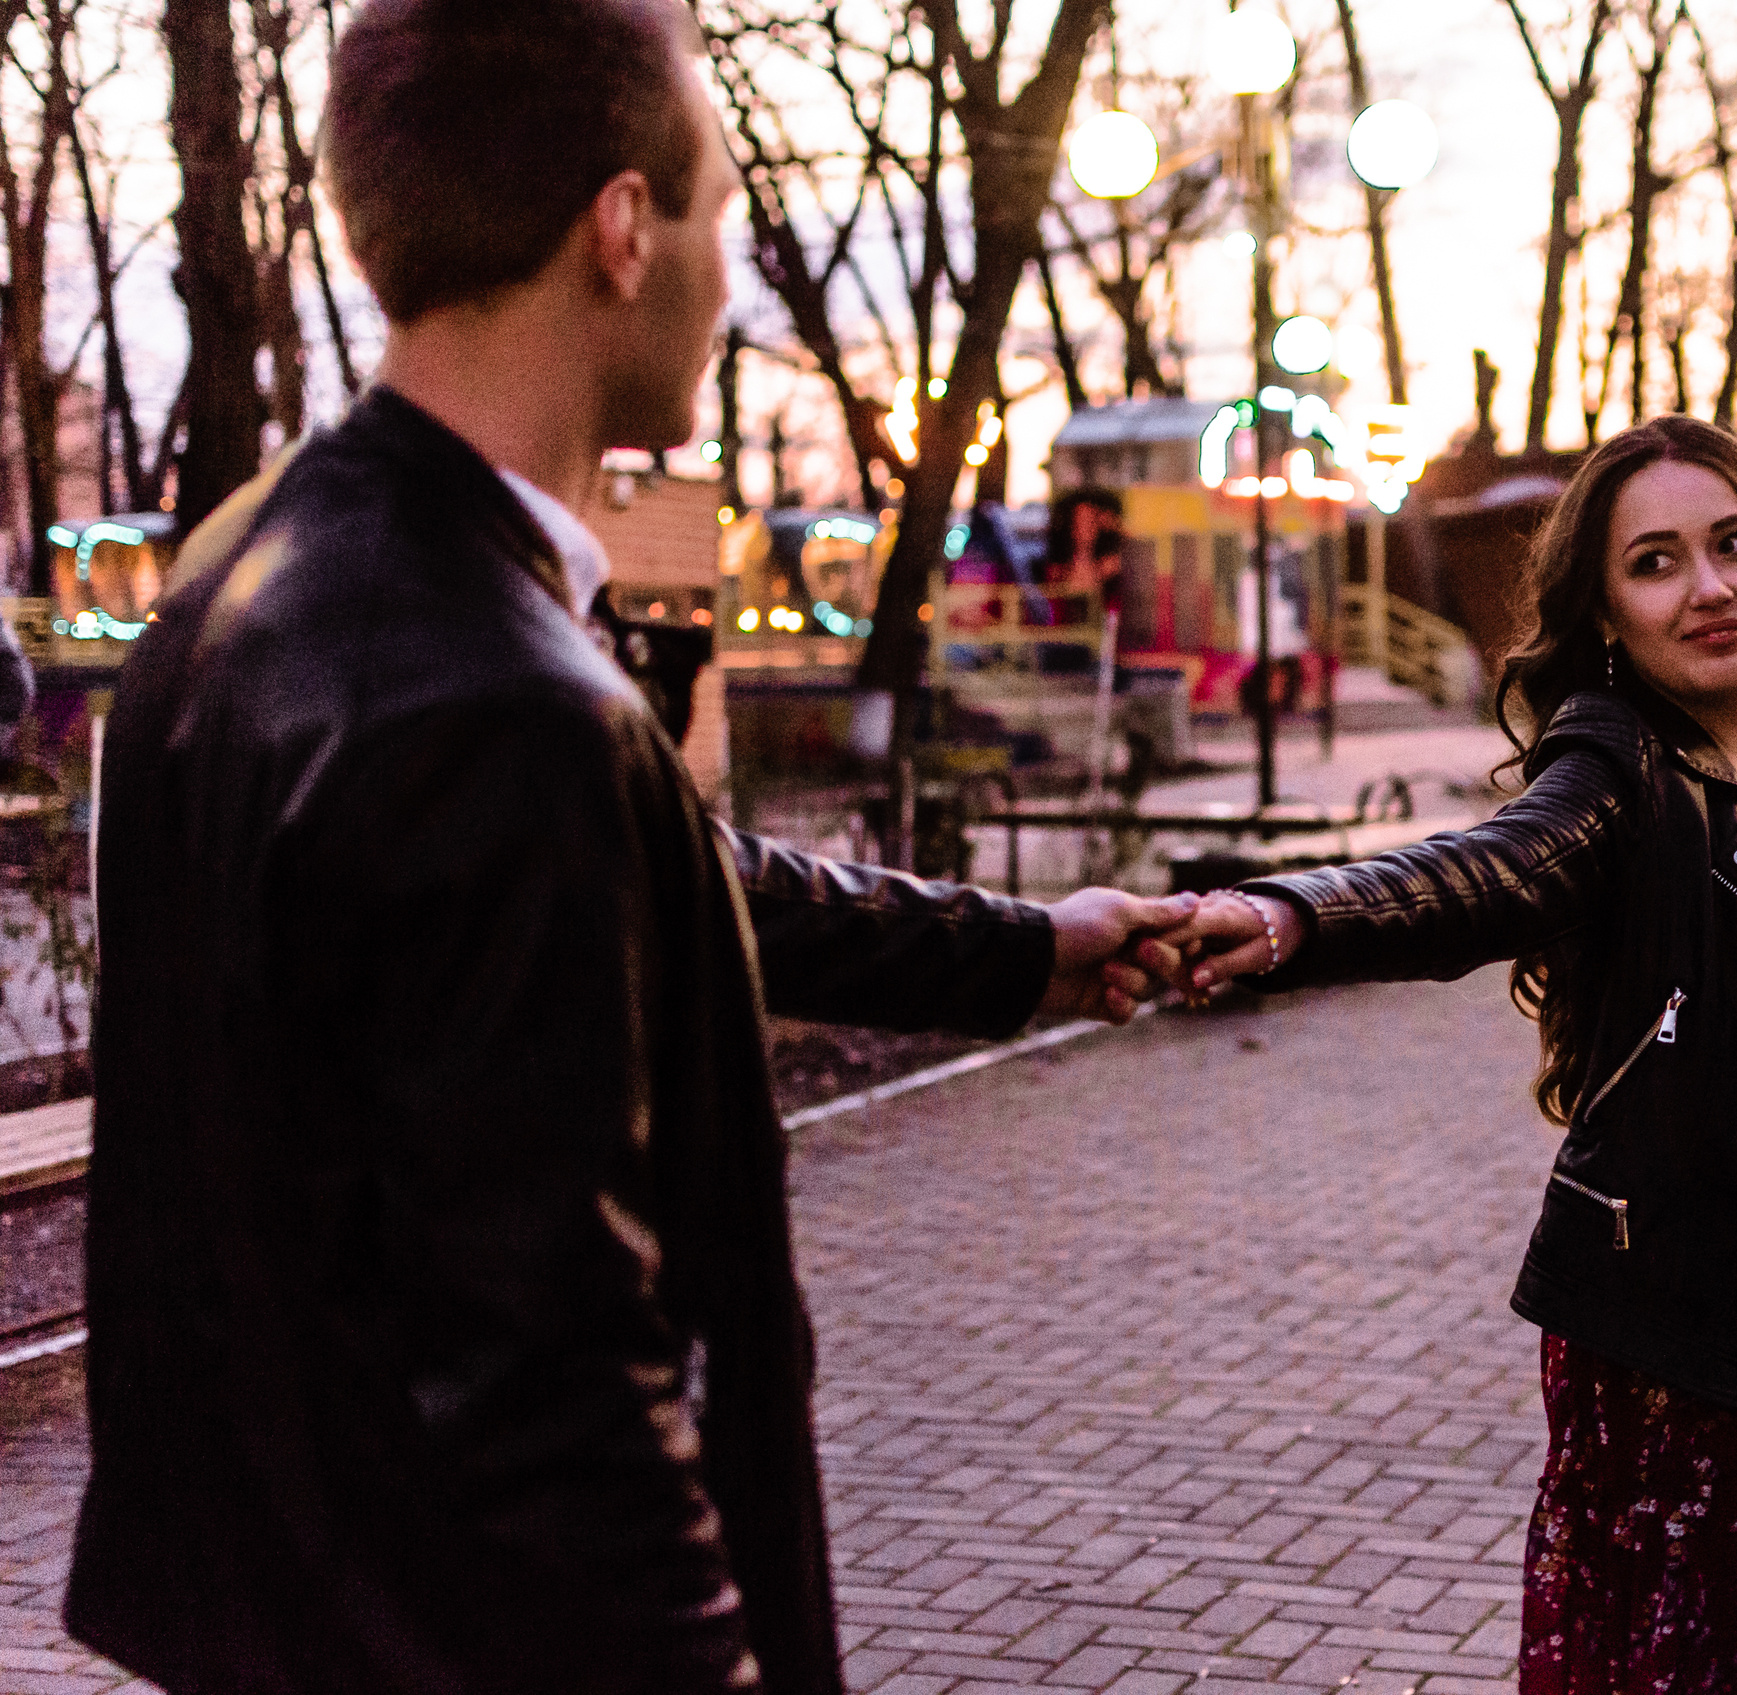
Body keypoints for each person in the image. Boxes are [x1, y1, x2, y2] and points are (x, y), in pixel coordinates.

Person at [63, 3, 1190, 1691]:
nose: (726, 280)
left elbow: (656, 881)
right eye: (721, 214)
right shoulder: (487, 700)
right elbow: (557, 1394)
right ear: (620, 230)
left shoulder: (251, 585)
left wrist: (1028, 948)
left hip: (274, 1625)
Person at [1172, 415, 1737, 1693]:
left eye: (1734, 546)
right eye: (1655, 563)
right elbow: (1489, 872)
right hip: (1699, 1360)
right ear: (1604, 614)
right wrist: (1293, 916)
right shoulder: (1620, 771)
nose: (1707, 588)